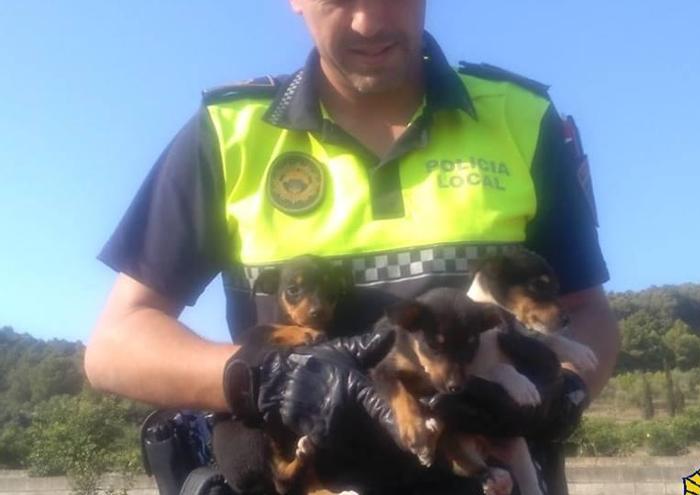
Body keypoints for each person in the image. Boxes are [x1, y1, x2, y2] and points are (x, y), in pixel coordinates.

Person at [85, 1, 620, 493]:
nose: (368, 23)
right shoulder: (229, 132)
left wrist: (561, 396)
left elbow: (585, 312)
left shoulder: (522, 118)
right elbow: (116, 344)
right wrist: (260, 378)